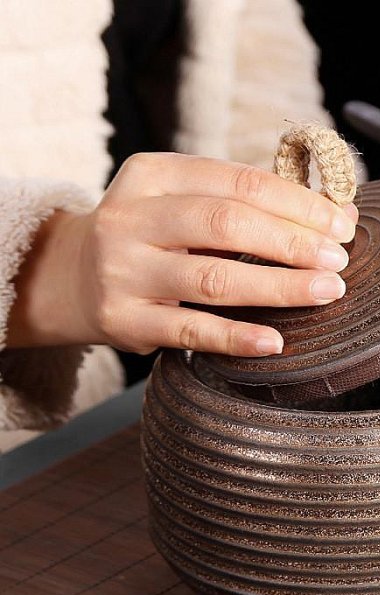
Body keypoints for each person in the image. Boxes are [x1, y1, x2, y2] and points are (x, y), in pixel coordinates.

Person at [0, 0, 357, 451]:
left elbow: (261, 85)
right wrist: (54, 267)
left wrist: (291, 235)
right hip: (31, 442)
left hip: (201, 378)